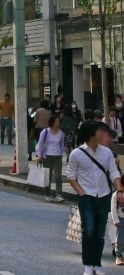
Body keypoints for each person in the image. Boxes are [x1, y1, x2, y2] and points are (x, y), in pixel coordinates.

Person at [67, 120, 123, 275]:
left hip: (104, 196)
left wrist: (119, 191)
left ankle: (97, 264)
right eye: (99, 131)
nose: (102, 134)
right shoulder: (76, 154)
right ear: (91, 134)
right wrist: (81, 193)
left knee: (99, 232)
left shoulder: (106, 153)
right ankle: (88, 265)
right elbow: (71, 176)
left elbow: (114, 172)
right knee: (89, 230)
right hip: (87, 197)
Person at [36, 114, 66, 203]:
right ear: (52, 122)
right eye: (56, 122)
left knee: (58, 176)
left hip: (57, 156)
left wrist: (61, 153)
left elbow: (61, 144)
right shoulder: (45, 132)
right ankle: (47, 193)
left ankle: (59, 194)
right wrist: (39, 155)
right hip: (47, 156)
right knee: (47, 176)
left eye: (59, 122)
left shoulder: (61, 133)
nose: (58, 123)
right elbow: (40, 144)